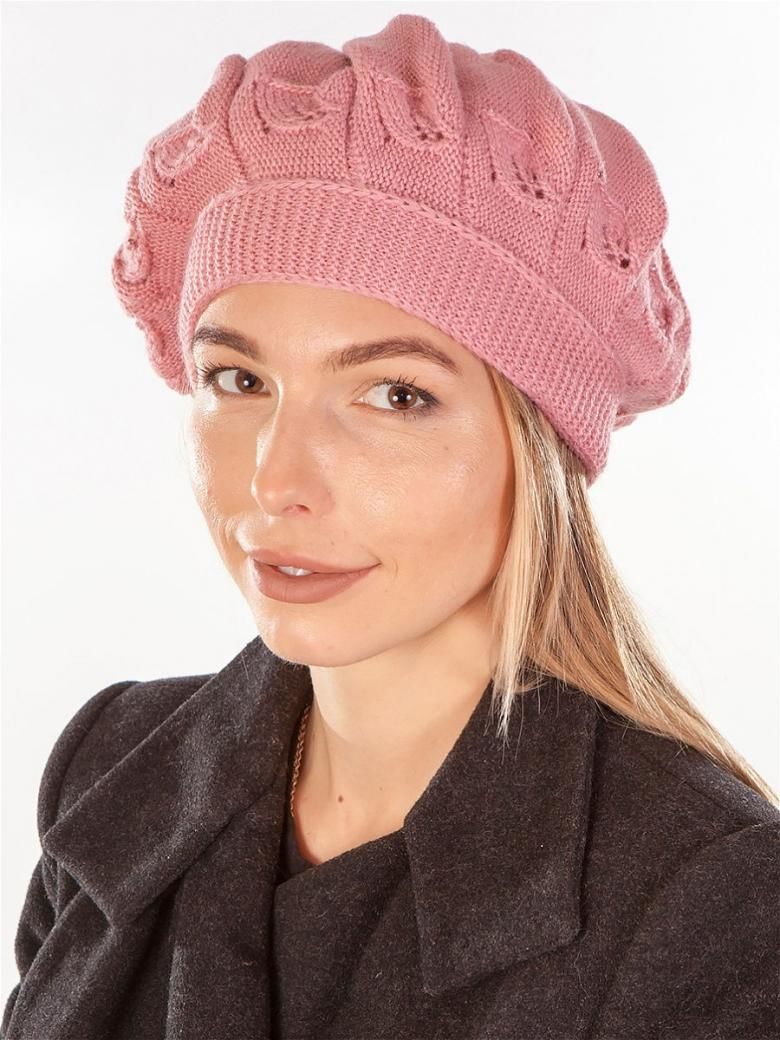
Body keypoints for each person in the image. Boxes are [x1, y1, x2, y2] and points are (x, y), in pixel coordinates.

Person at [2, 12, 778, 1040]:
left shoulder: (715, 902)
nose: (275, 479)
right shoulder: (116, 762)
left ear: (538, 447)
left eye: (395, 396)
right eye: (237, 379)